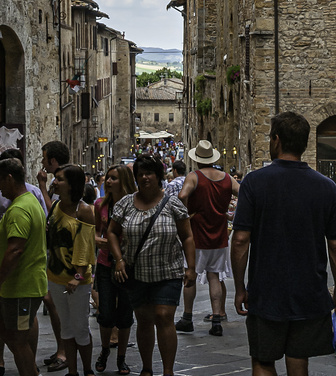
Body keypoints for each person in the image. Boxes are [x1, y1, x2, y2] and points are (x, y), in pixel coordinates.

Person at [230, 111, 336, 376]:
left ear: (277, 140)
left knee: (262, 360)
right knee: (298, 359)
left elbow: (240, 240)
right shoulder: (327, 187)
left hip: (266, 290)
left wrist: (240, 288)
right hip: (309, 290)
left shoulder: (253, 183)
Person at [107, 155, 196, 376]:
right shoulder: (125, 204)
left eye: (149, 173)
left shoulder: (173, 203)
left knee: (164, 315)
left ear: (158, 176)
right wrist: (119, 260)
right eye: (140, 174)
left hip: (168, 270)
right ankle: (147, 368)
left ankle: (167, 370)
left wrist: (190, 267)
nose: (145, 177)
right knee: (144, 320)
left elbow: (187, 236)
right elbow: (111, 232)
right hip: (137, 272)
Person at [0, 148, 48, 376]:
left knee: (19, 340)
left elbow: (15, 249)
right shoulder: (29, 201)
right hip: (18, 287)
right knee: (5, 328)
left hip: (22, 286)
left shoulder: (20, 209)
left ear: (10, 178)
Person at [176, 140, 240, 336]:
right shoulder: (227, 178)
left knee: (191, 274)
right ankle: (216, 320)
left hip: (197, 234)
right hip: (219, 234)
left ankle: (187, 318)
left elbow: (181, 195)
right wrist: (231, 214)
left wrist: (187, 214)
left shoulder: (194, 177)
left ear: (197, 159)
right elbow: (245, 193)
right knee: (214, 276)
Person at [47, 164, 97, 376]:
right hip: (56, 276)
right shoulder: (56, 206)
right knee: (66, 328)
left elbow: (85, 246)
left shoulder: (83, 210)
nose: (55, 182)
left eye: (59, 179)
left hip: (77, 279)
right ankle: (73, 372)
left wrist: (78, 275)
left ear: (72, 184)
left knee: (80, 328)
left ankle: (87, 370)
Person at [94, 164, 137, 374]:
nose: (108, 181)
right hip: (105, 263)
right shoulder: (100, 204)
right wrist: (100, 241)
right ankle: (104, 350)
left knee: (125, 315)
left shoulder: (134, 205)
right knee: (106, 312)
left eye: (113, 178)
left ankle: (121, 358)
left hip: (128, 265)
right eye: (107, 178)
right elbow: (95, 233)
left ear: (125, 181)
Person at [37, 139, 71, 370]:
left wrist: (41, 186)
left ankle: (65, 351)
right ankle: (63, 347)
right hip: (55, 252)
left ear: (54, 160)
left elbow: (55, 213)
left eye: (44, 158)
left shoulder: (64, 180)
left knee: (58, 303)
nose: (42, 162)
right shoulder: (60, 178)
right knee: (52, 301)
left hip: (64, 254)